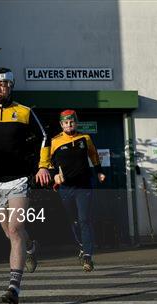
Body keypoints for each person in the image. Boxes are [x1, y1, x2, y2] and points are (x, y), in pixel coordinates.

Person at [0, 68, 51, 304]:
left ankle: (14, 286)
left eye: (2, 85)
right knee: (10, 233)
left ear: (10, 86)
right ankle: (32, 247)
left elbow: (45, 137)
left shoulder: (24, 112)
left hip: (19, 180)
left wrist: (43, 166)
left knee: (15, 229)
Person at [50, 109, 105, 272]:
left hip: (83, 185)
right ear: (61, 125)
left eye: (72, 122)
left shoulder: (85, 138)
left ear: (76, 122)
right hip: (65, 188)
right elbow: (49, 162)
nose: (69, 125)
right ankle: (81, 246)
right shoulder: (55, 141)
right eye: (66, 122)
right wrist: (54, 176)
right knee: (73, 221)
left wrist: (99, 171)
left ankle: (88, 256)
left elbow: (94, 155)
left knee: (84, 220)